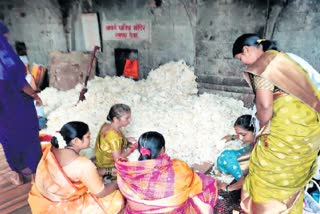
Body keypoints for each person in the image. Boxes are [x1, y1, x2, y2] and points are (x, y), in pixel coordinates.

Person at [232, 33, 320, 213]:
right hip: (310, 127)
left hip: (286, 128)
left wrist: (263, 130)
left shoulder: (262, 65)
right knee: (293, 171)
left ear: (247, 49)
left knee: (268, 171)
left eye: (241, 58)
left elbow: (264, 106)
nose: (244, 63)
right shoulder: (286, 59)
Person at [28, 121, 124, 213]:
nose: (91, 138)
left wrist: (107, 170)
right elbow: (101, 193)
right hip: (63, 206)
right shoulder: (84, 164)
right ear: (76, 141)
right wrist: (118, 182)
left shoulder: (54, 146)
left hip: (45, 193)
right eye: (88, 136)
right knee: (117, 199)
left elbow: (77, 173)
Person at [116, 131, 219, 213]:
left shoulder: (127, 172)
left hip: (140, 211)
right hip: (173, 211)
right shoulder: (179, 168)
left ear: (140, 150)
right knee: (204, 182)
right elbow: (194, 185)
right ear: (162, 149)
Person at [0, 21, 42, 185]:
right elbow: (18, 80)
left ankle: (17, 173)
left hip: (2, 112)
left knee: (8, 139)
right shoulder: (4, 56)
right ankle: (34, 175)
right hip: (16, 105)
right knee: (28, 136)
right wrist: (35, 95)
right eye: (4, 37)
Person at [95, 103, 137, 179]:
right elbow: (118, 159)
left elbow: (108, 142)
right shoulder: (115, 138)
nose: (130, 120)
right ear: (116, 119)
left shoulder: (106, 125)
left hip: (100, 158)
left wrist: (125, 140)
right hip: (107, 164)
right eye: (127, 118)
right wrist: (132, 148)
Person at [217, 114, 255, 192]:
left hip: (254, 180)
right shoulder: (254, 136)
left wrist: (227, 188)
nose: (240, 137)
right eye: (238, 134)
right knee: (226, 156)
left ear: (255, 131)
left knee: (226, 157)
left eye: (243, 134)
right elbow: (240, 136)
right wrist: (232, 137)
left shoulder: (258, 147)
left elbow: (245, 179)